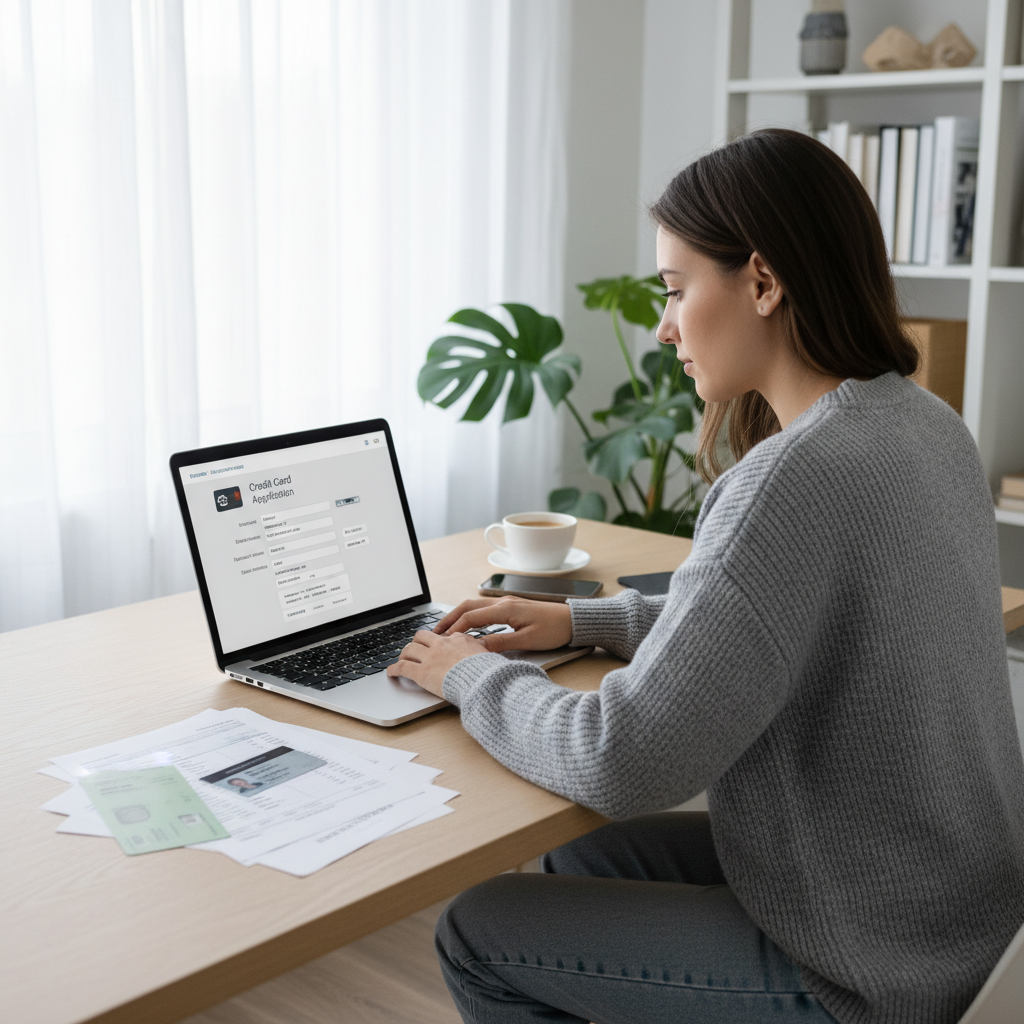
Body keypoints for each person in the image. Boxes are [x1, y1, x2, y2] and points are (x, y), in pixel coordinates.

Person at [386, 128, 1024, 1024]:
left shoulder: (792, 475)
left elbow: (621, 758)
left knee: (479, 931)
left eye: (679, 290)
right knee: (585, 864)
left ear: (763, 282)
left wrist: (472, 676)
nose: (664, 325)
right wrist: (585, 627)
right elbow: (791, 623)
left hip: (871, 968)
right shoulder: (924, 424)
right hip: (961, 912)